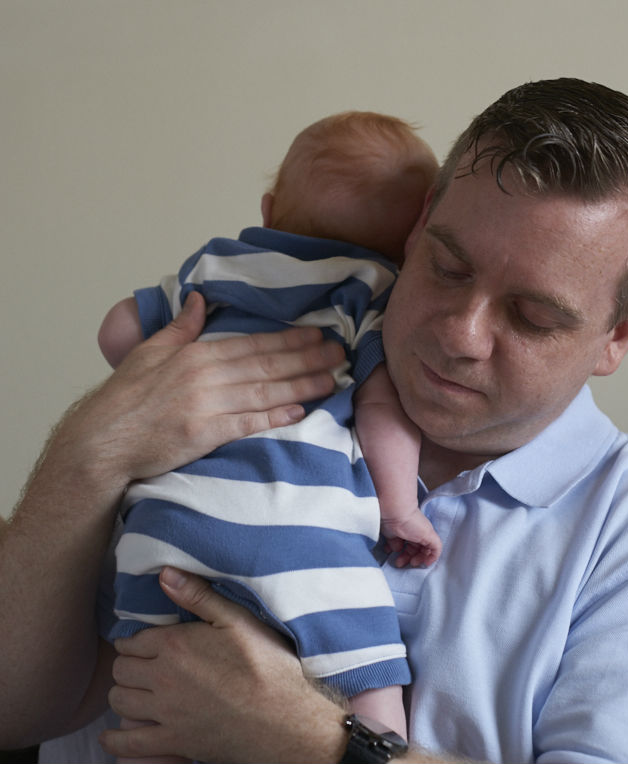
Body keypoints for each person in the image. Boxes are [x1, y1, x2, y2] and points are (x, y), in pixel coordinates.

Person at [0, 78, 628, 764]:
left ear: (621, 335)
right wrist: (85, 456)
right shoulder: (209, 378)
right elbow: (18, 709)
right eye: (447, 267)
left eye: (531, 317)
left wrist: (312, 741)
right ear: (418, 227)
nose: (460, 335)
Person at [96, 111, 442, 743]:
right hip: (300, 540)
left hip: (162, 527)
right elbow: (381, 408)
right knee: (370, 678)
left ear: (268, 208)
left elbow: (117, 331)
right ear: (410, 242)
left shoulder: (215, 266)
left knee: (148, 703)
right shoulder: (368, 288)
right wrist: (398, 508)